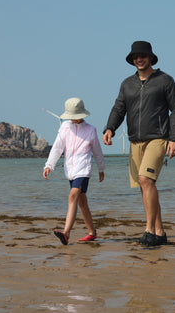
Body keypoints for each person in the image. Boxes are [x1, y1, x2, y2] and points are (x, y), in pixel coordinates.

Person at [103, 41, 175, 246]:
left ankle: (148, 230)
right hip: (134, 140)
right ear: (132, 60)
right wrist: (110, 128)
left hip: (158, 137)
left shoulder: (165, 80)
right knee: (145, 185)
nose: (139, 59)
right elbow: (119, 108)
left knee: (145, 179)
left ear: (150, 57)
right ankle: (159, 232)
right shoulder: (126, 84)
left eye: (143, 56)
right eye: (136, 56)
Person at [43, 97, 105, 245]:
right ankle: (92, 232)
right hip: (70, 170)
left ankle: (66, 233)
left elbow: (97, 151)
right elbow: (57, 148)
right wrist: (49, 165)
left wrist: (101, 168)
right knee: (82, 202)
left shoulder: (91, 130)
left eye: (76, 117)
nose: (74, 120)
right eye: (72, 117)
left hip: (84, 169)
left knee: (73, 196)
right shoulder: (64, 127)